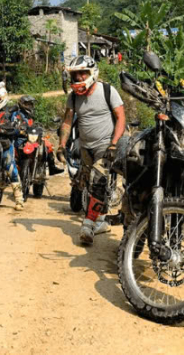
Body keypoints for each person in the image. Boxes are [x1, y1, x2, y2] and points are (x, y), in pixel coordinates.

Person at [56, 55, 125, 245]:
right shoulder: (73, 97)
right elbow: (68, 121)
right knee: (87, 184)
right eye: (75, 74)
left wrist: (114, 143)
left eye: (81, 73)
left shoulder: (108, 91)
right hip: (85, 146)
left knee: (98, 181)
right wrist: (61, 145)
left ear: (92, 73)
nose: (78, 78)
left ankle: (87, 225)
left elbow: (120, 118)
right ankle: (101, 221)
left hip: (105, 144)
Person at [0, 82, 25, 211]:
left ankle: (19, 199)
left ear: (3, 99)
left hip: (5, 143)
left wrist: (4, 129)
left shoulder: (11, 112)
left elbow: (17, 128)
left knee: (11, 168)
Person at [10, 95, 63, 176]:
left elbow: (31, 126)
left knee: (48, 145)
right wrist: (20, 130)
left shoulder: (28, 116)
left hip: (29, 139)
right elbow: (15, 127)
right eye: (28, 104)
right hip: (19, 140)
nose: (30, 106)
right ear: (22, 104)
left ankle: (52, 167)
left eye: (31, 104)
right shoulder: (17, 115)